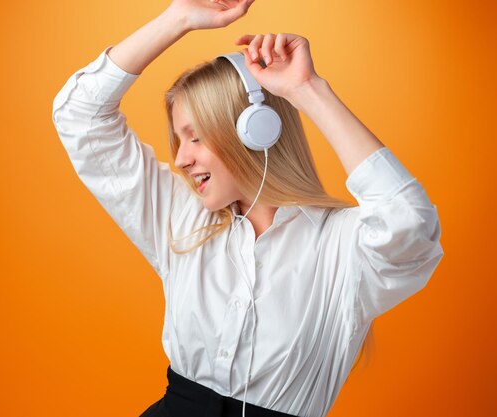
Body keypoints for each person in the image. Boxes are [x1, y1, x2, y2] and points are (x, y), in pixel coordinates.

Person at [51, 1, 444, 416]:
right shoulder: (181, 219)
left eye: (195, 137)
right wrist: (179, 17)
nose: (181, 159)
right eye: (178, 140)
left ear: (256, 133)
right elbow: (81, 117)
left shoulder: (343, 245)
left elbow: (410, 222)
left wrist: (307, 89)